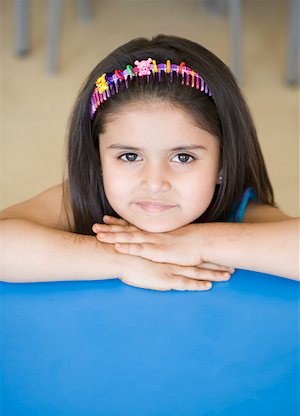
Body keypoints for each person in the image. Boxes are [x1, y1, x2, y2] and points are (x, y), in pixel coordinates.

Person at [1, 35, 298, 290]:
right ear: (99, 159)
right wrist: (121, 259)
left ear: (222, 164)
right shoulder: (84, 197)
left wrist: (195, 242)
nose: (155, 183)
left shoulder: (239, 211)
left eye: (183, 157)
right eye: (129, 156)